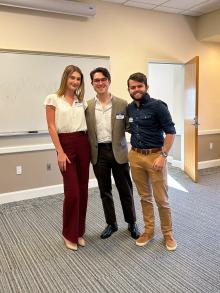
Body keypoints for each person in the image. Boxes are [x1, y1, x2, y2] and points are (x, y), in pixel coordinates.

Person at [86, 67, 139, 240]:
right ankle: (111, 223)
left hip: (119, 152)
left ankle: (132, 222)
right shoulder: (87, 106)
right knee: (105, 191)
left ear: (109, 81)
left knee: (126, 190)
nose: (100, 83)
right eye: (96, 80)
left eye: (103, 80)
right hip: (98, 153)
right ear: (92, 83)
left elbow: (131, 126)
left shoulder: (122, 104)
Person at [127, 72, 177, 251]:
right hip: (135, 156)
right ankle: (148, 231)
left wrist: (163, 156)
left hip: (155, 156)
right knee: (144, 197)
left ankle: (168, 234)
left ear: (146, 87)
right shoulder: (130, 108)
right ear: (129, 90)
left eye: (139, 86)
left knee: (161, 199)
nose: (136, 90)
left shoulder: (158, 106)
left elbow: (171, 132)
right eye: (133, 87)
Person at [44, 65, 90, 251]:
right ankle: (68, 233)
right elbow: (51, 127)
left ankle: (78, 232)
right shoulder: (53, 99)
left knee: (83, 190)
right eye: (72, 77)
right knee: (72, 193)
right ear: (65, 78)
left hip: (82, 143)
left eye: (78, 79)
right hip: (65, 145)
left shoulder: (81, 101)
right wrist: (60, 152)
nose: (75, 81)